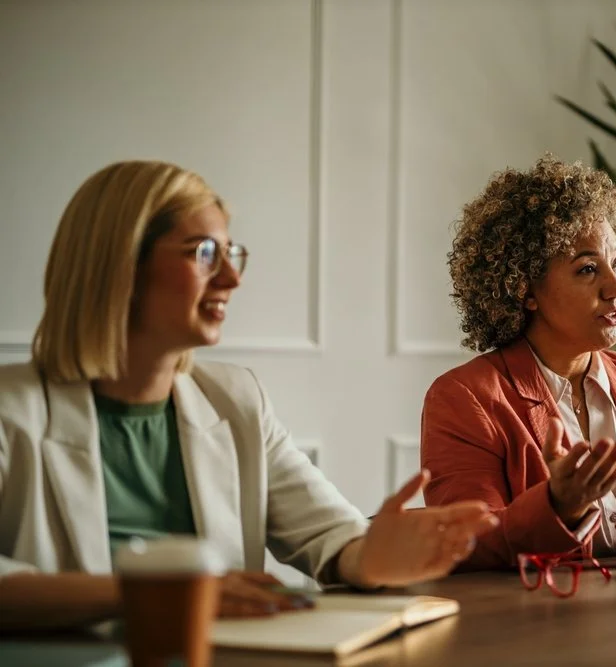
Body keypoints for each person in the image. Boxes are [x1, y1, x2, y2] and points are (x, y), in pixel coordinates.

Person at [0, 160, 497, 632]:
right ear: (120, 264)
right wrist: (155, 597)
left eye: (231, 254)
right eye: (204, 254)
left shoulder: (234, 399)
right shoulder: (10, 409)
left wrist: (375, 556)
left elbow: (329, 535)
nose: (232, 279)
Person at [420, 156, 616, 571]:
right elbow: (467, 545)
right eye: (588, 269)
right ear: (524, 289)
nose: (615, 286)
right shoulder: (465, 397)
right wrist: (557, 506)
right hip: (539, 628)